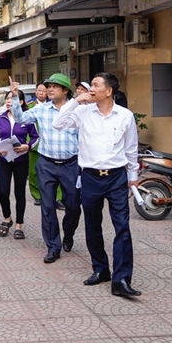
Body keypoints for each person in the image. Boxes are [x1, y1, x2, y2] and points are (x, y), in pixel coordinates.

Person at [54, 73, 141, 297]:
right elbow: (57, 124)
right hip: (90, 177)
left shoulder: (125, 116)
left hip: (116, 178)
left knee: (122, 227)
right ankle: (101, 269)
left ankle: (121, 280)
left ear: (109, 91)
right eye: (90, 85)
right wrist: (76, 101)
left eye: (95, 85)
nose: (90, 88)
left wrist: (133, 176)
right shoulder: (82, 112)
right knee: (93, 226)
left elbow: (131, 148)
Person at [9, 73, 81, 264]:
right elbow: (21, 118)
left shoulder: (77, 110)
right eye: (48, 86)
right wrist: (15, 96)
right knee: (47, 207)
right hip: (46, 164)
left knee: (73, 206)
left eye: (54, 87)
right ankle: (53, 247)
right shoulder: (41, 110)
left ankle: (69, 233)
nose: (49, 89)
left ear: (65, 90)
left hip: (71, 165)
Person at [0, 91, 39, 240]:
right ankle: (7, 218)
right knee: (3, 192)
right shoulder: (0, 119)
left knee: (19, 193)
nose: (8, 102)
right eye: (7, 99)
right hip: (4, 160)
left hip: (21, 160)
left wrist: (28, 147)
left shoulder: (26, 119)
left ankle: (19, 224)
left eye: (11, 99)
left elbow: (35, 137)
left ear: (20, 102)